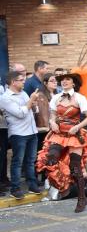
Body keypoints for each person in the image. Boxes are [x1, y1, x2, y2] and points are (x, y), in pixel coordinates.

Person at [36, 70, 87, 212]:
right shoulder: (56, 97)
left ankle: (82, 199)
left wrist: (77, 127)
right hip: (59, 134)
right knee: (50, 159)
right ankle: (64, 185)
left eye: (68, 79)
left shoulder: (80, 98)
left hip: (75, 136)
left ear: (73, 82)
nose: (64, 81)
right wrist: (52, 123)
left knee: (76, 168)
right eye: (62, 79)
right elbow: (52, 116)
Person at [0, 71, 40, 199]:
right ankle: (15, 188)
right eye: (21, 80)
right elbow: (20, 113)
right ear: (13, 82)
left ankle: (32, 185)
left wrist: (34, 105)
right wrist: (31, 101)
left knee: (30, 161)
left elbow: (32, 111)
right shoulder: (5, 98)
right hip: (18, 133)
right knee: (18, 161)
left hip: (32, 131)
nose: (24, 82)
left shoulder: (23, 93)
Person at [35, 73, 57, 153]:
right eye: (52, 81)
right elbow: (41, 113)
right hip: (45, 129)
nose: (55, 82)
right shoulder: (41, 95)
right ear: (45, 83)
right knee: (42, 152)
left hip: (55, 127)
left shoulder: (56, 95)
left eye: (55, 81)